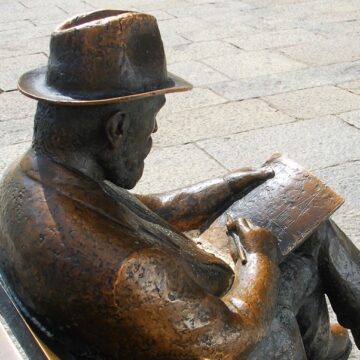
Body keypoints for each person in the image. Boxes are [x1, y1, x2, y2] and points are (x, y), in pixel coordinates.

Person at [0, 9, 359, 360]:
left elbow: (141, 211)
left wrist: (227, 186)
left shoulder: (35, 177)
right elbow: (232, 336)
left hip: (138, 326)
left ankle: (319, 347)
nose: (154, 131)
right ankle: (317, 344)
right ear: (118, 129)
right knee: (301, 260)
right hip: (218, 333)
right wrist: (259, 259)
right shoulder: (134, 270)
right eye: (153, 116)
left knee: (306, 229)